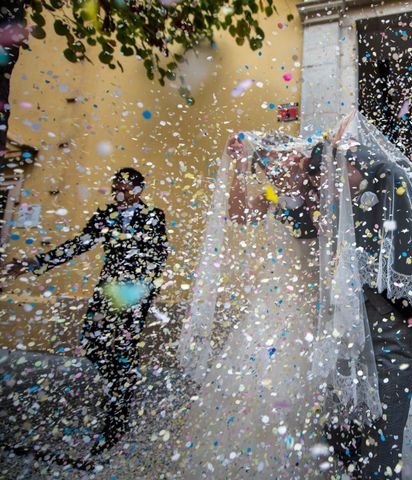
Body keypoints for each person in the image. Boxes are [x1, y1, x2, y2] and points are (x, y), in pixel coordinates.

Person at [298, 111, 412, 479]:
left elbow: (387, 169)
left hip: (392, 330)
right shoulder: (345, 210)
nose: (332, 178)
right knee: (344, 417)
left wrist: (346, 148)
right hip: (353, 332)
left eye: (340, 168)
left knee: (384, 422)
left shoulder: (389, 187)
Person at [176, 133, 327, 479]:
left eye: (281, 158)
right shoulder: (272, 198)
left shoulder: (321, 190)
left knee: (303, 384)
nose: (276, 167)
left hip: (314, 303)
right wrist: (240, 166)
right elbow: (237, 213)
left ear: (297, 156)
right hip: (273, 302)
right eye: (268, 163)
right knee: (259, 379)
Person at [3, 167, 168, 455]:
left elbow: (159, 256)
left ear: (139, 189)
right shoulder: (105, 214)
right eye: (117, 186)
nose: (121, 192)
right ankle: (116, 385)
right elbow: (80, 243)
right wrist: (34, 263)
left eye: (127, 187)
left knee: (124, 351)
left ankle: (118, 413)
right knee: (92, 342)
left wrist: (141, 292)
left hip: (134, 293)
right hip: (108, 291)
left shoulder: (154, 216)